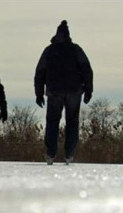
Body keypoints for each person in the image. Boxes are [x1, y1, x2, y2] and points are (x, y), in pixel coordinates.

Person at [34, 20, 93, 165]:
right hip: (74, 91)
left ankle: (51, 153)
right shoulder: (76, 49)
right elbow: (87, 69)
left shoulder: (49, 50)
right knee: (72, 121)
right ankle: (69, 154)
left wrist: (39, 93)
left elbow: (40, 72)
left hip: (54, 91)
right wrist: (88, 90)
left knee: (52, 121)